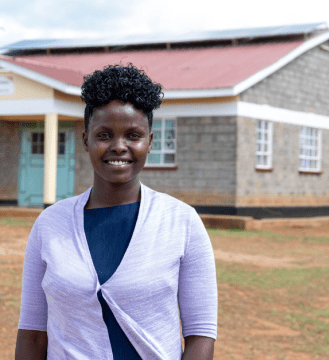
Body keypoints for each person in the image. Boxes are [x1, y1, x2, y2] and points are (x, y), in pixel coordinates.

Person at [15, 64, 218, 359]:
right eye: (105, 135)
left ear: (150, 141)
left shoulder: (182, 223)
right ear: (86, 139)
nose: (119, 146)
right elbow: (33, 334)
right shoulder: (50, 224)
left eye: (133, 135)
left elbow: (201, 335)